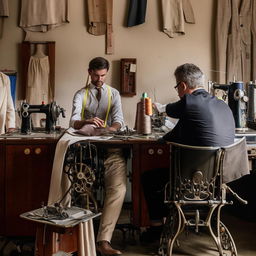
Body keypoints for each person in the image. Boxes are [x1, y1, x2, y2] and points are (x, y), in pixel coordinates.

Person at [141, 63, 235, 242]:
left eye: (177, 87)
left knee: (150, 179)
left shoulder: (189, 101)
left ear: (183, 86)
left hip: (188, 181)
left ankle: (156, 229)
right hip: (216, 183)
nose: (177, 91)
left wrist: (160, 136)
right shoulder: (223, 106)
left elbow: (169, 132)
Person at [70, 57, 126, 255]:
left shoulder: (115, 94)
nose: (99, 79)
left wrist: (110, 128)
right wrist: (86, 121)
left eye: (103, 75)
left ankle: (104, 241)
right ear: (89, 72)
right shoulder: (80, 94)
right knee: (81, 187)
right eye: (96, 75)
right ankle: (83, 238)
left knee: (118, 188)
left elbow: (119, 120)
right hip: (85, 149)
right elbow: (73, 120)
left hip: (111, 148)